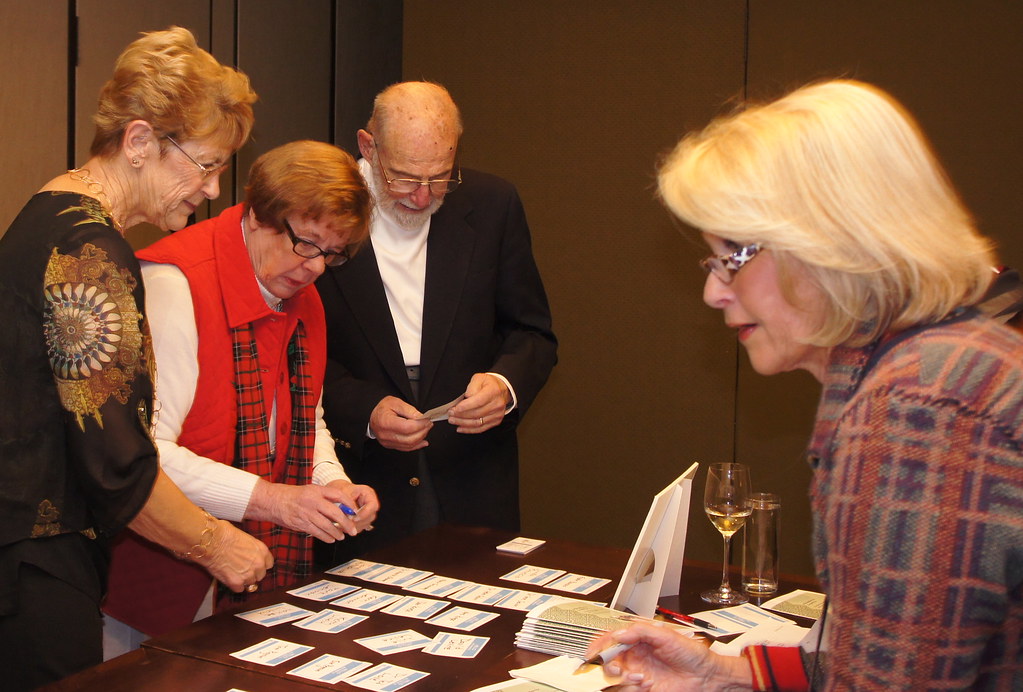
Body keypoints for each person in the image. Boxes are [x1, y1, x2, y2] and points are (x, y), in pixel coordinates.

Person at [588, 80, 1023, 690]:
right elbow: (888, 661)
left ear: (827, 244)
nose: (714, 291)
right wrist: (721, 674)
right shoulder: (947, 362)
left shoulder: (914, 411)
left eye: (732, 256)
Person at [0, 27, 273, 690]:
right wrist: (219, 544)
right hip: (38, 568)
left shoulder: (47, 214)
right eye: (204, 166)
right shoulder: (91, 250)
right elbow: (117, 461)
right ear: (140, 141)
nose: (211, 190)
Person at [102, 140, 381, 654]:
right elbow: (144, 455)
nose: (316, 267)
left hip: (257, 570)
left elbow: (303, 419)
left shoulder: (303, 292)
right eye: (307, 243)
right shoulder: (174, 283)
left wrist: (331, 484)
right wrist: (277, 501)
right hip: (158, 579)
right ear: (257, 215)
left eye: (333, 253)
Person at [315, 81, 557, 557]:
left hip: (472, 480)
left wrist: (504, 385)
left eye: (440, 177)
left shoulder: (493, 204)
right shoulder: (321, 208)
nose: (422, 198)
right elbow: (293, 351)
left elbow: (532, 332)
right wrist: (363, 410)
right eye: (404, 178)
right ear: (368, 147)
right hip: (360, 482)